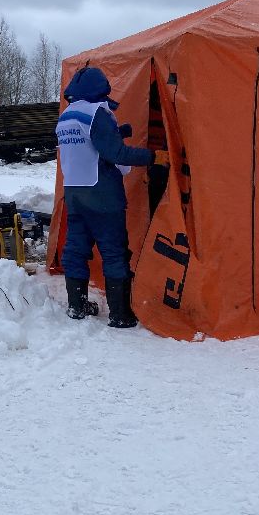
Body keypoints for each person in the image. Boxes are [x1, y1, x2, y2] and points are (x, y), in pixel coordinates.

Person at [56, 66, 168, 327]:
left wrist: (119, 132)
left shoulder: (67, 116)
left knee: (76, 250)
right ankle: (120, 315)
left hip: (74, 194)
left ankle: (77, 305)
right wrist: (152, 157)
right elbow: (116, 154)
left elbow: (89, 145)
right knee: (114, 252)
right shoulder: (97, 113)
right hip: (103, 195)